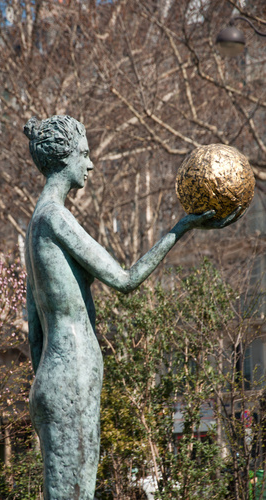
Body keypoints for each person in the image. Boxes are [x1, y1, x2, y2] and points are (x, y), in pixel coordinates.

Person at [24, 115, 242, 500]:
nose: (90, 165)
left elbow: (34, 330)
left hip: (52, 377)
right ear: (65, 159)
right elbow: (125, 280)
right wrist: (182, 227)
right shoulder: (56, 217)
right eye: (85, 155)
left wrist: (45, 383)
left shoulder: (35, 224)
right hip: (72, 372)